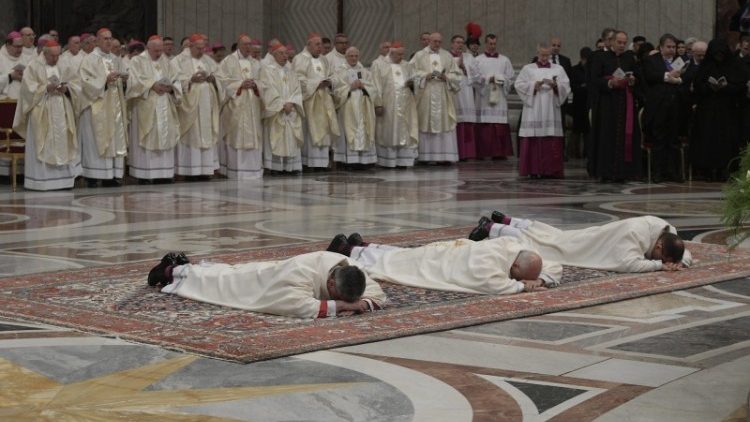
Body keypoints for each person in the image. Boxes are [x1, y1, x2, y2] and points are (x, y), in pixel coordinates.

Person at [148, 251, 387, 319]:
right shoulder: (303, 272)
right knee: (221, 281)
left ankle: (182, 267)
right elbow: (298, 306)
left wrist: (363, 303)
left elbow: (377, 293)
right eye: (336, 294)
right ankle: (171, 271)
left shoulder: (347, 266)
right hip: (258, 282)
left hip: (271, 270)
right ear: (331, 282)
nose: (340, 299)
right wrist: (342, 306)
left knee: (229, 272)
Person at [326, 233, 558, 293]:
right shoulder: (489, 264)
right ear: (515, 267)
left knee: (404, 256)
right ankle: (348, 253)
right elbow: (494, 285)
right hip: (440, 262)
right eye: (519, 276)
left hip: (447, 251)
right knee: (398, 262)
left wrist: (539, 279)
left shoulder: (514, 245)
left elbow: (553, 266)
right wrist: (520, 286)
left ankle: (358, 248)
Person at [469, 212, 691, 273]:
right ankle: (493, 228)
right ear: (659, 246)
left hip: (593, 236)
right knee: (550, 246)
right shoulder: (636, 234)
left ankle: (510, 221)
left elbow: (684, 252)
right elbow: (627, 263)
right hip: (587, 246)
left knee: (553, 235)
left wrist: (682, 262)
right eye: (660, 256)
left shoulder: (666, 230)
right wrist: (658, 266)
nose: (659, 260)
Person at [12, 40, 80, 191]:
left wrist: (67, 89)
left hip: (61, 110)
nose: (56, 59)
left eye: (58, 55)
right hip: (42, 110)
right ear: (45, 53)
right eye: (53, 56)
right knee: (43, 142)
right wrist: (45, 88)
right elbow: (27, 90)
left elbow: (76, 84)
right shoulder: (33, 66)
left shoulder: (64, 64)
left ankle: (64, 181)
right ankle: (41, 182)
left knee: (63, 141)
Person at [690, 39, 749, 181]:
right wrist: (709, 87)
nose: (719, 58)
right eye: (716, 55)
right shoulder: (705, 66)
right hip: (707, 110)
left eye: (721, 55)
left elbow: (740, 85)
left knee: (726, 141)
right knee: (707, 139)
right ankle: (708, 171)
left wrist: (726, 87)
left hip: (728, 110)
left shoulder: (735, 65)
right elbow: (698, 86)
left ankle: (725, 170)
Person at [125, 35, 181, 184]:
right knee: (148, 136)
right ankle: (145, 175)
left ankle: (165, 173)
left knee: (165, 136)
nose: (159, 53)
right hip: (146, 105)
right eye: (156, 50)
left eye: (160, 50)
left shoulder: (166, 61)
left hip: (165, 103)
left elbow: (176, 79)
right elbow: (133, 82)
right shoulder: (137, 61)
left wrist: (171, 88)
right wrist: (152, 85)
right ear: (148, 48)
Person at [78, 28, 129, 187]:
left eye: (110, 38)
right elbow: (84, 82)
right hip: (97, 106)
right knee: (96, 140)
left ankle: (113, 175)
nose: (108, 41)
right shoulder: (89, 59)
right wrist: (104, 81)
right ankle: (93, 176)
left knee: (115, 138)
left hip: (115, 105)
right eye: (105, 39)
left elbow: (122, 79)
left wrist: (124, 80)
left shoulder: (115, 59)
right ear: (97, 41)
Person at [588, 30, 641, 181]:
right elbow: (594, 79)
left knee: (624, 137)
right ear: (611, 42)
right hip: (607, 103)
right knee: (607, 136)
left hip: (625, 103)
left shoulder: (629, 57)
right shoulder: (600, 57)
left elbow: (637, 77)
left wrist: (632, 80)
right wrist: (610, 82)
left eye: (624, 43)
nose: (622, 45)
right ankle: (606, 172)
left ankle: (623, 172)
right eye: (619, 42)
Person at [515, 43, 571, 178]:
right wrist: (534, 85)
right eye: (542, 55)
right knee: (534, 139)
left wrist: (556, 86)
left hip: (551, 108)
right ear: (537, 54)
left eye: (547, 55)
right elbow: (518, 85)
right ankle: (533, 170)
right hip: (534, 108)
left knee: (550, 138)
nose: (544, 58)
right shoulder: (528, 69)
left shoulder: (558, 69)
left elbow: (566, 86)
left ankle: (550, 170)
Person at [173, 33, 222, 180]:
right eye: (198, 48)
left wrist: (213, 79)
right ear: (190, 46)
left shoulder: (208, 60)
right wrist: (190, 80)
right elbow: (174, 80)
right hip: (190, 106)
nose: (201, 51)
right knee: (192, 135)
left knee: (206, 133)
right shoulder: (179, 60)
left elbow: (220, 77)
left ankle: (206, 170)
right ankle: (190, 171)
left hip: (207, 105)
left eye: (203, 48)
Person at [215, 34, 264, 180]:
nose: (248, 48)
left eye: (250, 45)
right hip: (235, 106)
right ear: (238, 45)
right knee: (236, 136)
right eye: (245, 45)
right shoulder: (228, 61)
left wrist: (256, 85)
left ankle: (253, 171)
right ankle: (236, 170)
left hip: (252, 106)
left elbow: (265, 83)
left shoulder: (256, 63)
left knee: (253, 136)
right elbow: (221, 81)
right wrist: (240, 85)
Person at [411, 32, 462, 163]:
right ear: (429, 41)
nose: (437, 44)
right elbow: (410, 72)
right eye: (435, 41)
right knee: (425, 122)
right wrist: (425, 75)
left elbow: (457, 75)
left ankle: (444, 157)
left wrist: (447, 77)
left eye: (439, 42)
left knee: (444, 122)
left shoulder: (447, 55)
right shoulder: (419, 55)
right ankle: (425, 157)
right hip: (426, 94)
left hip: (442, 94)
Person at [642, 33, 686, 183]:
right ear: (660, 47)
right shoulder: (651, 60)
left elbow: (685, 80)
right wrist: (668, 76)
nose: (672, 50)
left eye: (674, 47)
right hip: (658, 106)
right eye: (668, 47)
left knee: (673, 141)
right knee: (659, 141)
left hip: (675, 107)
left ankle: (674, 172)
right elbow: (650, 76)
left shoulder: (680, 61)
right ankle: (658, 173)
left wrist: (678, 79)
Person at [294, 33, 340, 169]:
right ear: (308, 45)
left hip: (324, 100)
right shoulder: (300, 59)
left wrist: (330, 82)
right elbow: (297, 79)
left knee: (324, 129)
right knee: (310, 130)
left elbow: (334, 75)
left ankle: (322, 163)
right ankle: (308, 163)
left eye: (321, 44)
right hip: (309, 101)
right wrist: (316, 84)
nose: (320, 47)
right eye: (317, 44)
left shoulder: (324, 60)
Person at [370, 41, 419, 168]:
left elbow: (416, 81)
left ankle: (403, 161)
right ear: (391, 53)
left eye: (402, 54)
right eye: (398, 55)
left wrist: (413, 84)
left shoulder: (407, 65)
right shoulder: (379, 64)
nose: (401, 57)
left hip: (406, 104)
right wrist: (378, 104)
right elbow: (375, 85)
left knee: (405, 130)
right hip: (388, 105)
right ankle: (388, 161)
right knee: (388, 131)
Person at [259, 44, 304, 173]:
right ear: (274, 55)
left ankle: (290, 166)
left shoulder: (291, 71)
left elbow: (297, 89)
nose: (286, 56)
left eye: (286, 53)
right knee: (276, 137)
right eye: (282, 53)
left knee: (290, 137)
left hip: (291, 109)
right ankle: (275, 167)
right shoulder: (267, 70)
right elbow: (268, 89)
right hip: (276, 111)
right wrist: (281, 104)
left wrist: (292, 102)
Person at [332, 46, 378, 166]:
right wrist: (349, 88)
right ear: (346, 57)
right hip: (348, 106)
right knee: (349, 131)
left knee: (364, 130)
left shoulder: (364, 71)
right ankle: (349, 161)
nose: (353, 58)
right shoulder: (339, 71)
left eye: (356, 56)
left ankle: (363, 161)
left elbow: (374, 88)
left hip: (363, 106)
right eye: (351, 56)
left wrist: (364, 87)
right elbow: (336, 91)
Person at [474, 34, 514, 160]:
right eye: (490, 44)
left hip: (500, 96)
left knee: (499, 123)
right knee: (485, 124)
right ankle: (483, 152)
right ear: (485, 44)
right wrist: (487, 80)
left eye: (494, 44)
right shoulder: (478, 60)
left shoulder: (505, 60)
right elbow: (474, 78)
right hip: (484, 96)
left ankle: (499, 153)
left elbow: (511, 78)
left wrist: (502, 80)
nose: (492, 46)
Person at [450, 35, 479, 160]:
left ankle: (466, 153)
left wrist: (463, 67)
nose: (460, 45)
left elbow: (477, 75)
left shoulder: (469, 57)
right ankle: (453, 152)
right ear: (452, 44)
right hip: (452, 93)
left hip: (466, 92)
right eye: (457, 42)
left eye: (462, 42)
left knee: (465, 121)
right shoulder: (446, 56)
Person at [569, 47, 591, 159]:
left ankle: (588, 153)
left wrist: (584, 86)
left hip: (589, 103)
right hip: (578, 103)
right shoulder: (574, 70)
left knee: (588, 130)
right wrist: (583, 87)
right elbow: (573, 87)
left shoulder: (592, 70)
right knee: (576, 130)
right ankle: (574, 153)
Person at [0, 32, 25, 100]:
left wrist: (23, 78)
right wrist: (10, 77)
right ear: (8, 45)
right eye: (17, 46)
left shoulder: (25, 59)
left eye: (21, 46)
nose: (20, 49)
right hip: (4, 103)